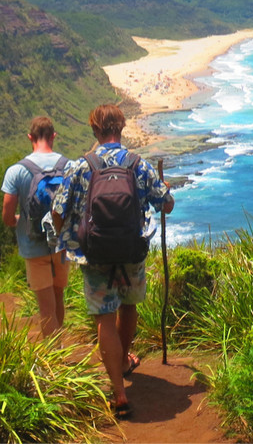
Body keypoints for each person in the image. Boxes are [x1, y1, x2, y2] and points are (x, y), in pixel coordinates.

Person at [52, 103, 173, 420]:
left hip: (94, 254)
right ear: (121, 128)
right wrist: (165, 191)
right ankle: (123, 361)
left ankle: (119, 392)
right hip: (132, 252)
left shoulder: (81, 167)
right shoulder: (137, 164)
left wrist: (63, 235)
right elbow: (167, 204)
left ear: (94, 130)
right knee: (128, 306)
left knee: (104, 316)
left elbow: (57, 211)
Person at [1, 116, 70, 338]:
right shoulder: (68, 166)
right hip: (61, 243)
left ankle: (54, 358)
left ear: (30, 137)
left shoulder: (16, 171)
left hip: (33, 246)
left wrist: (18, 220)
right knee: (58, 296)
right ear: (53, 136)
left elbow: (7, 214)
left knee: (45, 306)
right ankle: (59, 350)